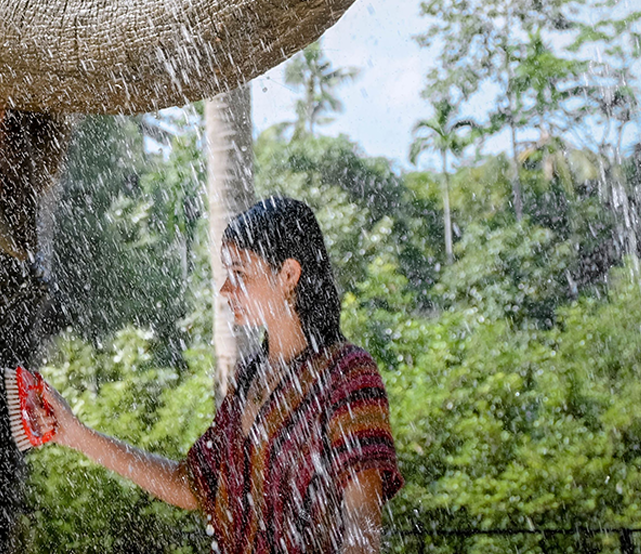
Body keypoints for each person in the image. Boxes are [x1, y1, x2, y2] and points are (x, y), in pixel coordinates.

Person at [36, 196, 402, 554]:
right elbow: (189, 485)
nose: (225, 290)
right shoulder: (248, 381)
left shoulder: (347, 374)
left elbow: (362, 526)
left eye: (239, 273)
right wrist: (75, 434)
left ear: (288, 274)